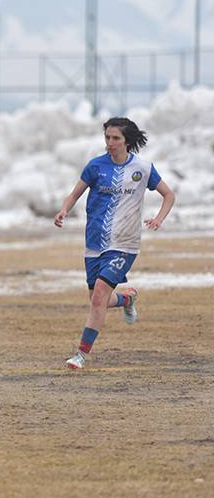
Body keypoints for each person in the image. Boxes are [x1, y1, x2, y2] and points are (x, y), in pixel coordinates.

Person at [54, 117, 175, 370]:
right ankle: (126, 299)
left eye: (115, 138)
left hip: (124, 244)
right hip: (95, 243)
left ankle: (80, 354)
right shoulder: (95, 166)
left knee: (99, 295)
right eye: (107, 137)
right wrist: (64, 210)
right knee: (98, 300)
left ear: (127, 141)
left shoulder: (142, 168)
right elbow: (75, 193)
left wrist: (159, 219)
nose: (110, 143)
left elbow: (169, 195)